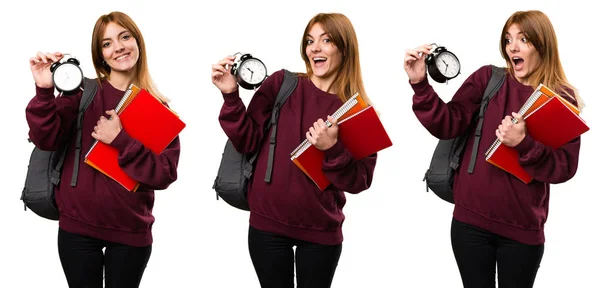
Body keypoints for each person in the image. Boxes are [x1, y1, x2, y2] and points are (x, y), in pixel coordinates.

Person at [404, 10, 583, 288]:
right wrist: (420, 84)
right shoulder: (488, 79)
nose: (513, 47)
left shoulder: (561, 98)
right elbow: (448, 125)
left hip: (522, 232)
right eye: (509, 39)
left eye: (524, 39)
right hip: (469, 224)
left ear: (542, 44)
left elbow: (565, 167)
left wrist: (524, 143)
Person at [212, 12, 377, 288]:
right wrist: (231, 96)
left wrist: (332, 149)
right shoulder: (281, 84)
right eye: (310, 40)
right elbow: (247, 141)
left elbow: (361, 182)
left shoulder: (359, 113)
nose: (315, 47)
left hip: (321, 233)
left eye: (326, 40)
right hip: (267, 226)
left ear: (344, 48)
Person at [26, 11, 180, 288]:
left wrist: (120, 140)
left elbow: (164, 175)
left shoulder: (158, 110)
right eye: (107, 43)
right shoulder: (81, 92)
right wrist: (44, 90)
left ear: (137, 43)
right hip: (78, 230)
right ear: (101, 55)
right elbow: (45, 138)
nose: (118, 47)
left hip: (131, 234)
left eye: (124, 37)